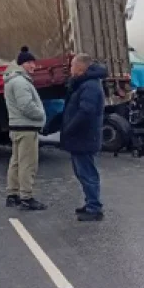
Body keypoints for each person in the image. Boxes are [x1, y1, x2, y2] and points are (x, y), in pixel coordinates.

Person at [60, 53, 107, 221]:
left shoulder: (90, 86)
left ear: (81, 67)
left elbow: (85, 112)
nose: (71, 69)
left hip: (84, 137)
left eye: (73, 65)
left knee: (87, 172)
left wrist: (69, 128)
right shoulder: (84, 84)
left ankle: (94, 208)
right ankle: (90, 203)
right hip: (81, 138)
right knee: (82, 172)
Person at [4, 46, 47, 210]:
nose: (33, 66)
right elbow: (26, 106)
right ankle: (26, 197)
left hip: (17, 127)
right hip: (26, 128)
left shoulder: (12, 80)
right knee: (27, 164)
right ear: (22, 64)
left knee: (15, 162)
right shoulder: (21, 82)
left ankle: (12, 194)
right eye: (30, 63)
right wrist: (41, 115)